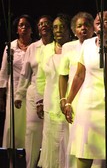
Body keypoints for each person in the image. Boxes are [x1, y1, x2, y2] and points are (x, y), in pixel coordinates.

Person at [64, 11, 107, 168]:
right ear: (94, 27)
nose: (102, 24)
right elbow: (79, 76)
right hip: (88, 104)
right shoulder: (87, 45)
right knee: (85, 148)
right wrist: (68, 101)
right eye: (98, 22)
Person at [14, 15, 53, 168]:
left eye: (47, 23)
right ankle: (30, 165)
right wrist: (19, 94)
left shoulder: (58, 46)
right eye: (40, 23)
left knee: (49, 132)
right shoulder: (33, 47)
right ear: (37, 28)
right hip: (33, 92)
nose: (44, 25)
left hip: (52, 92)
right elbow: (25, 74)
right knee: (32, 131)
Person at [58, 11, 94, 168]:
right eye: (79, 26)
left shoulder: (98, 46)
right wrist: (63, 98)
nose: (83, 28)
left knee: (91, 141)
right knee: (76, 140)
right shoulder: (68, 47)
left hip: (92, 99)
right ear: (73, 30)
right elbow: (63, 75)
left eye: (87, 25)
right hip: (74, 99)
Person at [35, 14, 72, 168]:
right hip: (50, 103)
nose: (58, 30)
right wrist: (40, 100)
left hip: (69, 102)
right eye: (55, 27)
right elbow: (40, 77)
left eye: (62, 27)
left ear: (69, 30)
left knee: (67, 141)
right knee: (51, 143)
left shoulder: (73, 48)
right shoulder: (46, 50)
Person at [0, 14, 35, 149]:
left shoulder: (36, 46)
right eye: (21, 25)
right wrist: (1, 97)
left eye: (27, 25)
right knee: (13, 126)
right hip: (13, 92)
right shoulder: (10, 47)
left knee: (30, 126)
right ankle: (11, 158)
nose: (24, 28)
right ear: (17, 29)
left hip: (31, 91)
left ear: (32, 29)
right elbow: (3, 72)